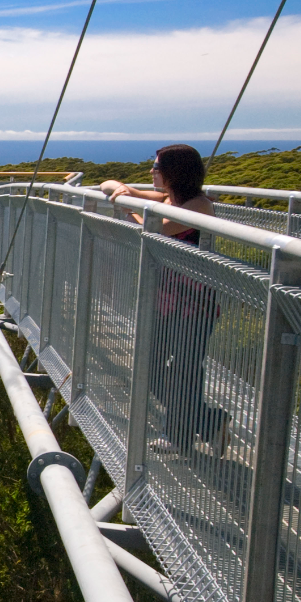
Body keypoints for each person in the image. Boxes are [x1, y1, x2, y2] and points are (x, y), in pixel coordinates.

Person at [101, 145, 228, 457]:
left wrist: (126, 209)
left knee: (185, 368)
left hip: (195, 302)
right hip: (167, 299)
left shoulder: (198, 206)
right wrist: (120, 190)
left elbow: (155, 231)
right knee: (153, 366)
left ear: (176, 172)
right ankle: (210, 421)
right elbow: (109, 185)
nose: (151, 171)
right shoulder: (170, 200)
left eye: (157, 167)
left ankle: (179, 436)